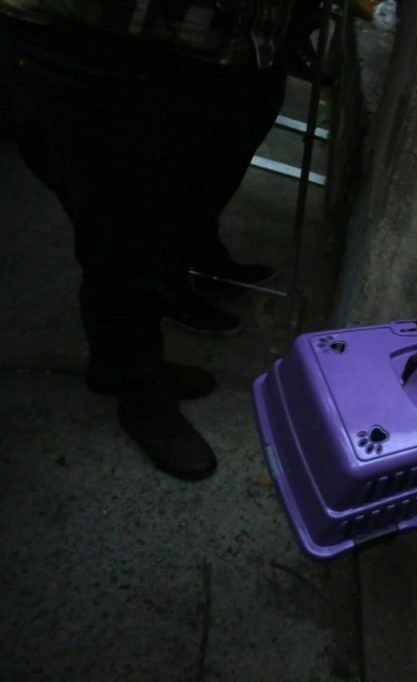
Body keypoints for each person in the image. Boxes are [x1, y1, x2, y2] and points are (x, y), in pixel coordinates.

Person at [0, 2, 303, 480]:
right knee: (123, 238)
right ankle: (140, 397)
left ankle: (116, 366)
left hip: (189, 54)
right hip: (102, 45)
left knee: (146, 225)